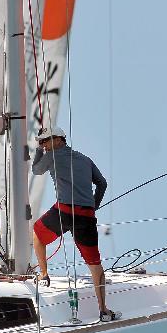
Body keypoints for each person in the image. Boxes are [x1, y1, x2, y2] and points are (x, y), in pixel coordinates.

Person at [31, 127, 115, 321]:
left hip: (65, 212)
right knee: (95, 265)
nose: (43, 145)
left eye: (45, 141)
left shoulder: (51, 156)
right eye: (41, 142)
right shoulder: (85, 159)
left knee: (37, 232)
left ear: (59, 140)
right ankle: (103, 309)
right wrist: (94, 205)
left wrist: (38, 151)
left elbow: (36, 170)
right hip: (86, 215)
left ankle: (44, 274)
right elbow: (102, 183)